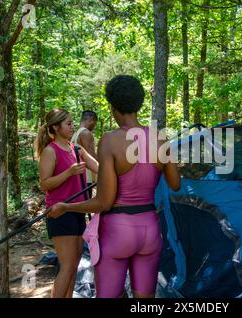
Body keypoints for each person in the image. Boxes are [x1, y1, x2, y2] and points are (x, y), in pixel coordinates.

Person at [48, 75, 181, 298]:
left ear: (112, 106)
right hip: (150, 228)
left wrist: (66, 207)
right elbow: (175, 184)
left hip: (117, 230)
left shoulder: (110, 140)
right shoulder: (160, 139)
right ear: (138, 104)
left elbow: (104, 201)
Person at [34, 108, 99, 298]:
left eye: (72, 123)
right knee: (68, 267)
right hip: (60, 212)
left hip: (78, 210)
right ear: (55, 127)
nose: (72, 126)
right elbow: (45, 184)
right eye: (68, 124)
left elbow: (100, 167)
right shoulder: (50, 151)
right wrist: (69, 172)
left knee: (73, 268)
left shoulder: (76, 149)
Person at [71, 110, 98, 197]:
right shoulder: (86, 133)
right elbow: (92, 157)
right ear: (91, 120)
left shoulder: (76, 133)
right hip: (85, 178)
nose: (94, 126)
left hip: (78, 176)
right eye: (95, 123)